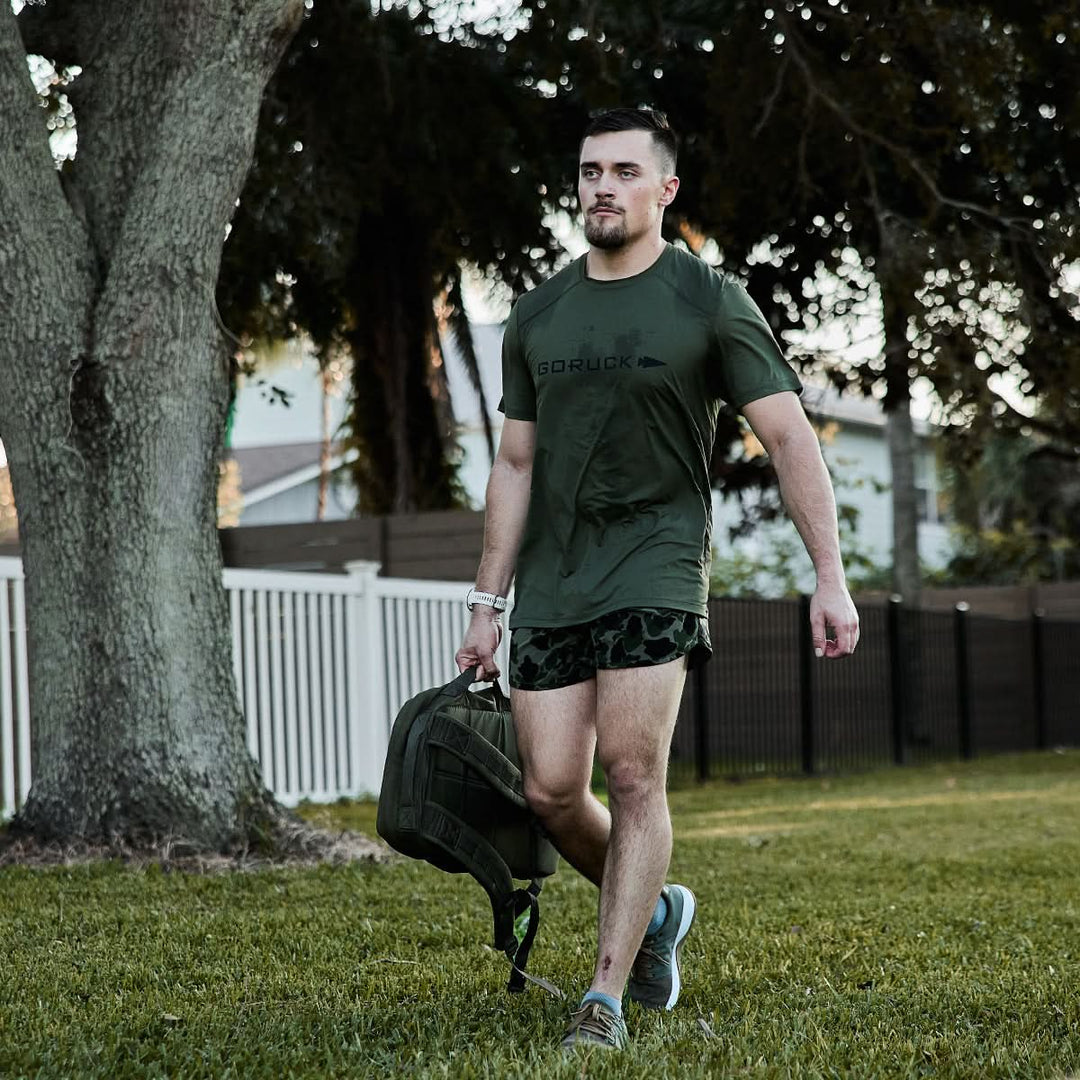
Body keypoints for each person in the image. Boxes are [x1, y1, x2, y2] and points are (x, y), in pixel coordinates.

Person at [455, 106, 860, 1052]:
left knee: (634, 774)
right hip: (554, 577)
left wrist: (829, 575)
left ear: (665, 190)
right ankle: (658, 910)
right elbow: (514, 466)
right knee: (553, 792)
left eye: (626, 172)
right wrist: (488, 602)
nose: (603, 186)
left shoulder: (708, 300)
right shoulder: (539, 312)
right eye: (592, 171)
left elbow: (790, 434)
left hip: (657, 563)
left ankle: (603, 997)